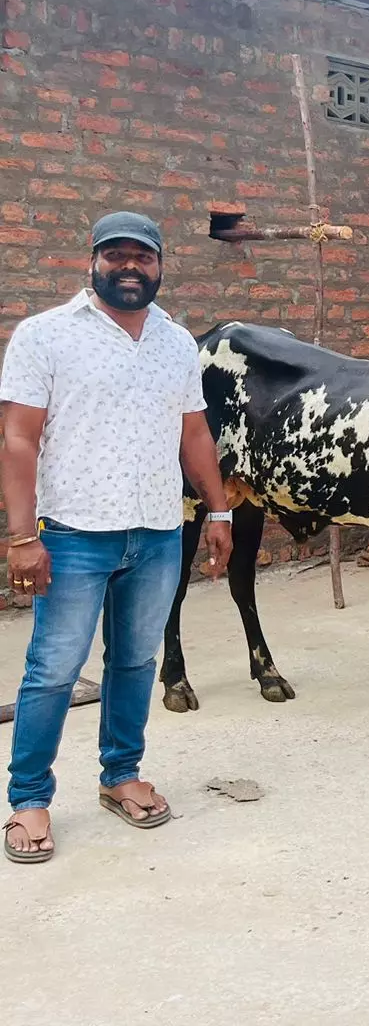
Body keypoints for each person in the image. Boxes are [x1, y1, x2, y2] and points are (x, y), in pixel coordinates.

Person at [3, 211, 233, 865]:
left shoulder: (175, 342)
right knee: (53, 670)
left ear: (160, 266)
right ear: (93, 261)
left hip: (157, 531)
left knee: (134, 662)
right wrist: (22, 535)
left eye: (143, 256)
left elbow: (193, 431)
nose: (129, 266)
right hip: (73, 532)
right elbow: (18, 438)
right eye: (116, 255)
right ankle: (28, 800)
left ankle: (119, 776)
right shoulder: (45, 336)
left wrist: (217, 513)